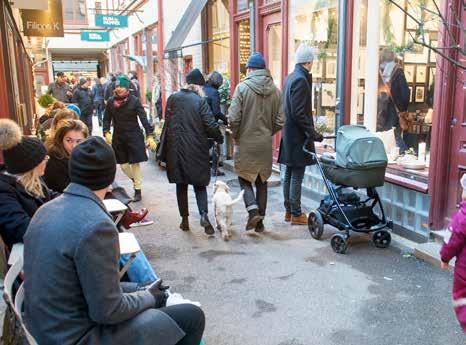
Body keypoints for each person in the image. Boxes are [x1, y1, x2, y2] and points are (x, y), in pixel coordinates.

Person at [24, 136, 205, 345]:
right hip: (76, 336)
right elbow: (108, 310)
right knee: (192, 316)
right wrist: (148, 297)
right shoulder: (96, 225)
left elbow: (90, 288)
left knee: (148, 290)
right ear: (110, 179)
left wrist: (142, 290)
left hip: (49, 327)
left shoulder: (46, 210)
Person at [43, 118, 152, 228]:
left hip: (77, 195)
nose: (74, 146)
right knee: (104, 183)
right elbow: (65, 186)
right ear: (61, 140)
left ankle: (126, 214)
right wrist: (97, 188)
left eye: (79, 141)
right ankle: (126, 216)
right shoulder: (55, 159)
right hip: (66, 200)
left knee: (106, 177)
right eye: (69, 140)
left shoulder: (79, 154)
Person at [229, 52, 284, 232]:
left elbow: (233, 117)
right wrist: (268, 132)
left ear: (250, 69)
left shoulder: (242, 88)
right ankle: (260, 223)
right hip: (265, 144)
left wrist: (236, 135)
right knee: (262, 180)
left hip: (246, 141)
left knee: (244, 176)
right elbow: (280, 121)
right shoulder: (276, 91)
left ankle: (252, 211)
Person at [163, 68, 223, 234]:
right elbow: (210, 124)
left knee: (181, 184)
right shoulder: (199, 101)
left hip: (175, 148)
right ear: (198, 86)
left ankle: (184, 220)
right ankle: (204, 216)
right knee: (199, 184)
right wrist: (219, 137)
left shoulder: (172, 99)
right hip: (196, 148)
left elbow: (166, 122)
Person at [278, 44, 324, 225]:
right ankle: (296, 213)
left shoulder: (290, 78)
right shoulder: (300, 80)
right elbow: (299, 112)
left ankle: (289, 211)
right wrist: (312, 133)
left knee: (289, 172)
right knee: (296, 174)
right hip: (297, 137)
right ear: (309, 61)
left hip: (290, 134)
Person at [0, 119, 56, 250]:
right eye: (44, 158)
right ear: (30, 165)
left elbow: (49, 195)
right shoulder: (4, 190)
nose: (47, 161)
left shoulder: (33, 179)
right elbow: (21, 228)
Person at [103, 74, 156, 202]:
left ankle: (138, 190)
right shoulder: (111, 102)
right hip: (119, 137)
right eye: (117, 87)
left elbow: (143, 118)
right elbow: (106, 119)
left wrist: (149, 135)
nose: (119, 89)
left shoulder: (134, 101)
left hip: (134, 136)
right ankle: (135, 179)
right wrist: (106, 132)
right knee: (123, 165)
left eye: (122, 87)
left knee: (135, 163)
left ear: (127, 88)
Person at [440, 174, 466, 332]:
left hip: (464, 273)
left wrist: (445, 257)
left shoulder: (462, 217)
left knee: (462, 298)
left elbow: (451, 240)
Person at [377, 48, 410, 152]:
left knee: (388, 135)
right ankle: (405, 154)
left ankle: (399, 155)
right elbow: (405, 92)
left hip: (382, 110)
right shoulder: (397, 70)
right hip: (394, 111)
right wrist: (403, 109)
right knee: (394, 135)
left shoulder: (379, 70)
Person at [204, 71, 228, 177]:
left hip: (200, 123)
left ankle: (204, 168)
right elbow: (216, 112)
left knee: (204, 146)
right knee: (216, 145)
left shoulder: (202, 88)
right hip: (210, 124)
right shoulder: (214, 92)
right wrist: (226, 120)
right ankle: (214, 169)